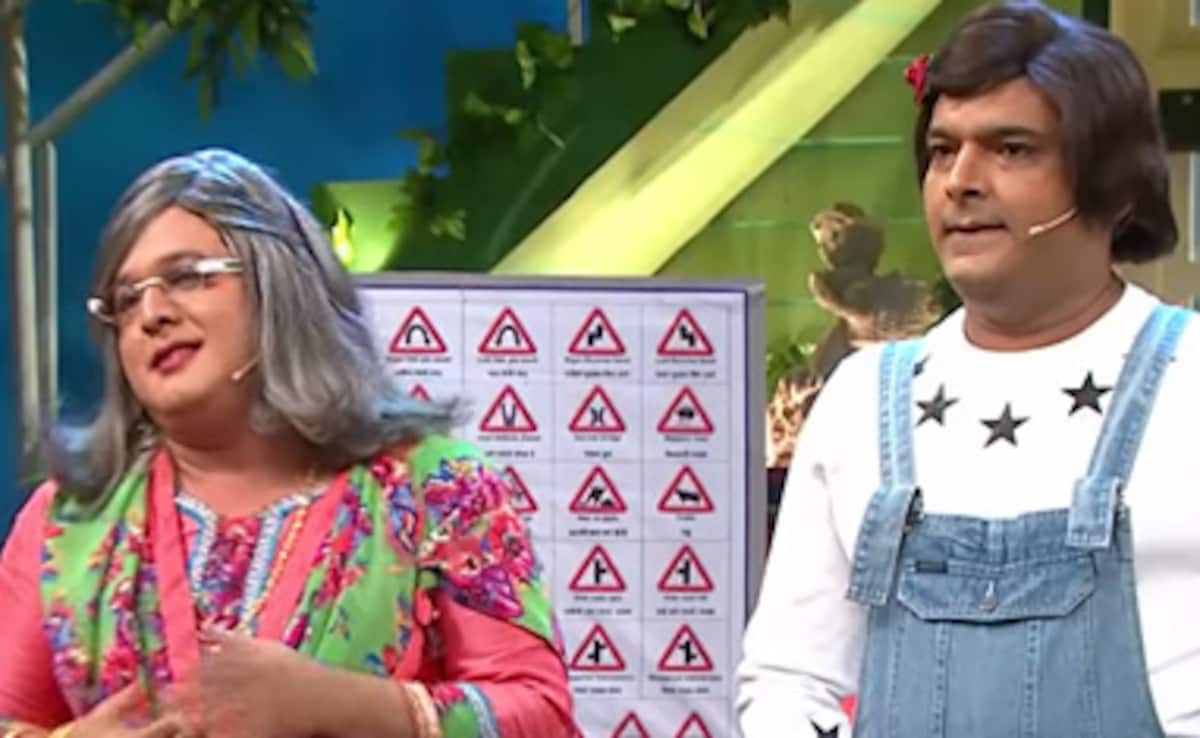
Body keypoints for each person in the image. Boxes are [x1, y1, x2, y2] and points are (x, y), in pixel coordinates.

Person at [0, 148, 578, 738]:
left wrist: (335, 704)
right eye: (126, 300)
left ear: (277, 283)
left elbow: (540, 714)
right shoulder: (69, 520)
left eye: (187, 277)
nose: (150, 314)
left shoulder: (438, 488)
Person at [736, 2, 1200, 737]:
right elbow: (790, 679)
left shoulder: (1190, 382)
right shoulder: (859, 401)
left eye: (1011, 149)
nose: (960, 181)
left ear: (1112, 186)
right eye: (943, 150)